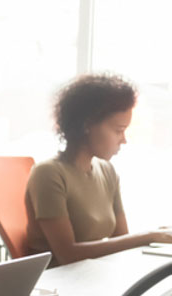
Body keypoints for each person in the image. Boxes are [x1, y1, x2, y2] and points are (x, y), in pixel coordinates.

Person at [26, 74, 172, 265]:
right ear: (87, 125)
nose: (124, 139)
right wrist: (149, 235)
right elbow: (67, 254)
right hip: (59, 285)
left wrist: (154, 236)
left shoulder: (107, 171)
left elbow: (122, 240)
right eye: (118, 130)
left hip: (96, 277)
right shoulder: (48, 174)